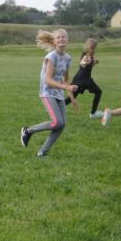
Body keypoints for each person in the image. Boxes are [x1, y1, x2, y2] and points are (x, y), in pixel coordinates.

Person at [20, 29, 78, 157]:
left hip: (58, 93)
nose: (61, 39)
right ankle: (28, 131)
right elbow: (48, 80)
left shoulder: (68, 58)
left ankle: (42, 152)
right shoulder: (51, 57)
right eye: (58, 37)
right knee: (57, 122)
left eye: (63, 37)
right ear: (55, 41)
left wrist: (72, 97)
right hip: (47, 92)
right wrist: (66, 87)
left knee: (62, 125)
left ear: (67, 40)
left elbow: (66, 80)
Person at [64, 38, 103, 119]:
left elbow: (87, 66)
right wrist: (84, 63)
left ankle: (56, 107)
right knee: (98, 92)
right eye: (95, 47)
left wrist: (94, 62)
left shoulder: (87, 53)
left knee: (72, 98)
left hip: (79, 78)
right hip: (85, 79)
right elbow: (83, 64)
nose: (96, 49)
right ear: (93, 47)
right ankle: (93, 113)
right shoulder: (87, 55)